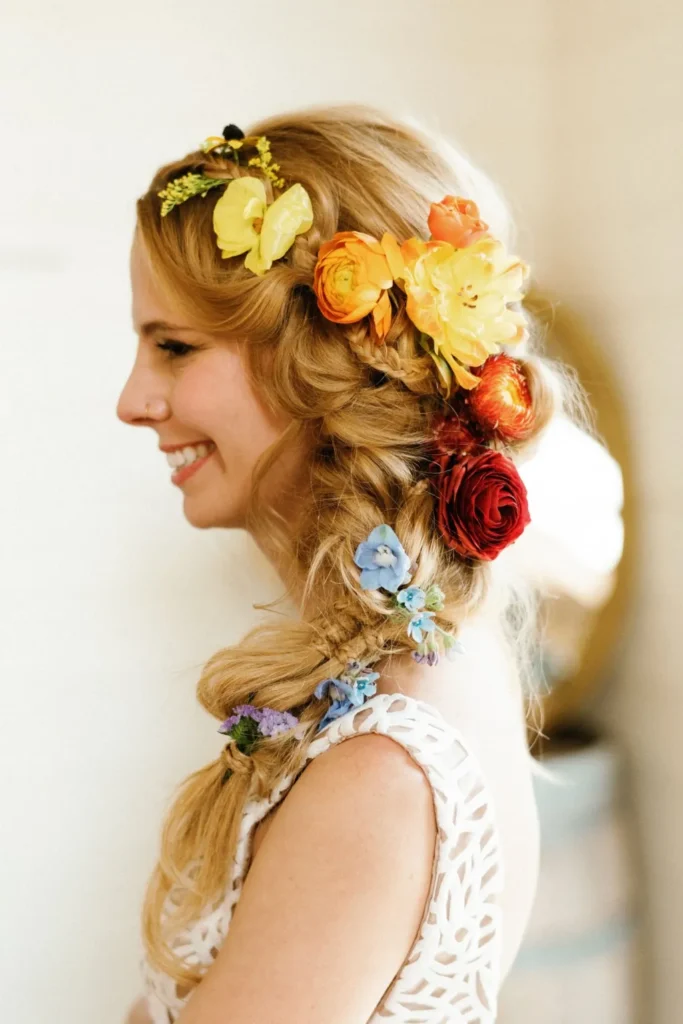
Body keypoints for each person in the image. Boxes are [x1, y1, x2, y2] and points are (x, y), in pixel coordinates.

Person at [116, 103, 583, 1024]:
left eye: (173, 348)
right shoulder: (406, 673)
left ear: (321, 359)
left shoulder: (379, 768)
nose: (133, 402)